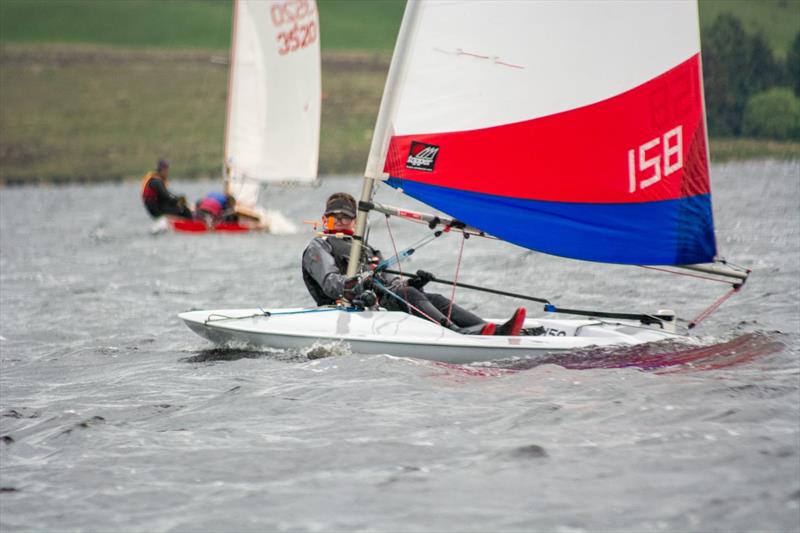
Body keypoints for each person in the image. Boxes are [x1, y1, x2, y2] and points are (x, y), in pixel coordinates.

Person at [301, 192, 527, 336]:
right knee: (408, 294)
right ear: (324, 219)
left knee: (431, 297)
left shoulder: (366, 248)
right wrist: (360, 282)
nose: (339, 221)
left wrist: (414, 283)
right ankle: (456, 333)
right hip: (347, 310)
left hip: (379, 305)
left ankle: (493, 330)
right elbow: (331, 285)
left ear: (355, 221)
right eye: (334, 217)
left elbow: (391, 282)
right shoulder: (319, 246)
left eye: (344, 217)